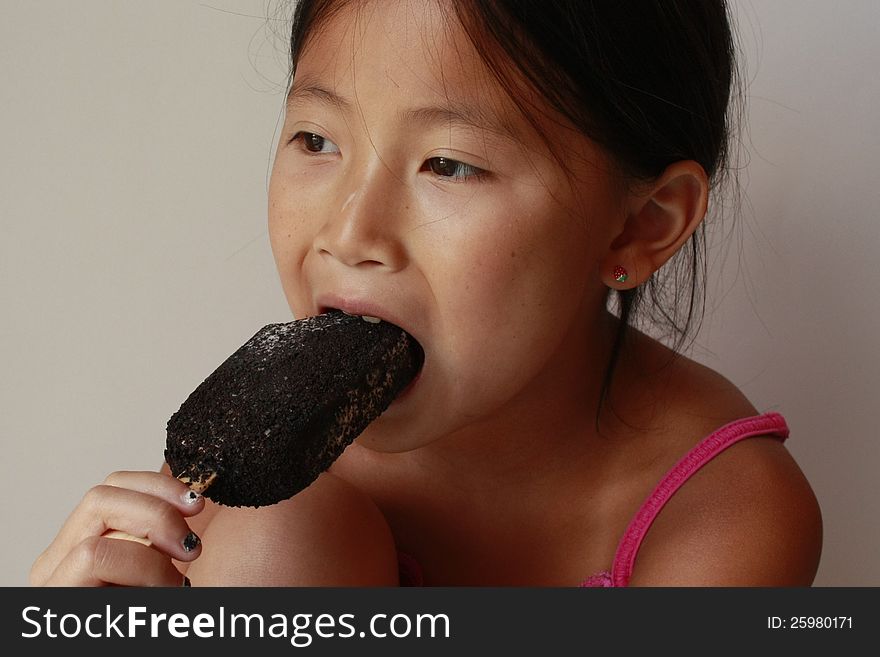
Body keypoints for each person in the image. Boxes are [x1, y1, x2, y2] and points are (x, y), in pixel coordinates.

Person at [30, 0, 822, 587]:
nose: (351, 230)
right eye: (316, 139)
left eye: (449, 164)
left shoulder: (724, 518)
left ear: (638, 227)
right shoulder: (270, 510)